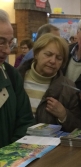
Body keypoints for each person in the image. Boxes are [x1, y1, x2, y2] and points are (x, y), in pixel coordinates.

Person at [18, 33, 81, 132]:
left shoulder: (68, 88)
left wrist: (64, 115)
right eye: (48, 54)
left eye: (59, 58)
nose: (53, 61)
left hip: (50, 146)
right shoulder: (16, 79)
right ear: (36, 54)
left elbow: (79, 129)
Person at [0, 9, 35, 148]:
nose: (8, 50)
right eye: (1, 42)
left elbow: (25, 122)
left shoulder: (11, 76)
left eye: (10, 43)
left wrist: (8, 156)